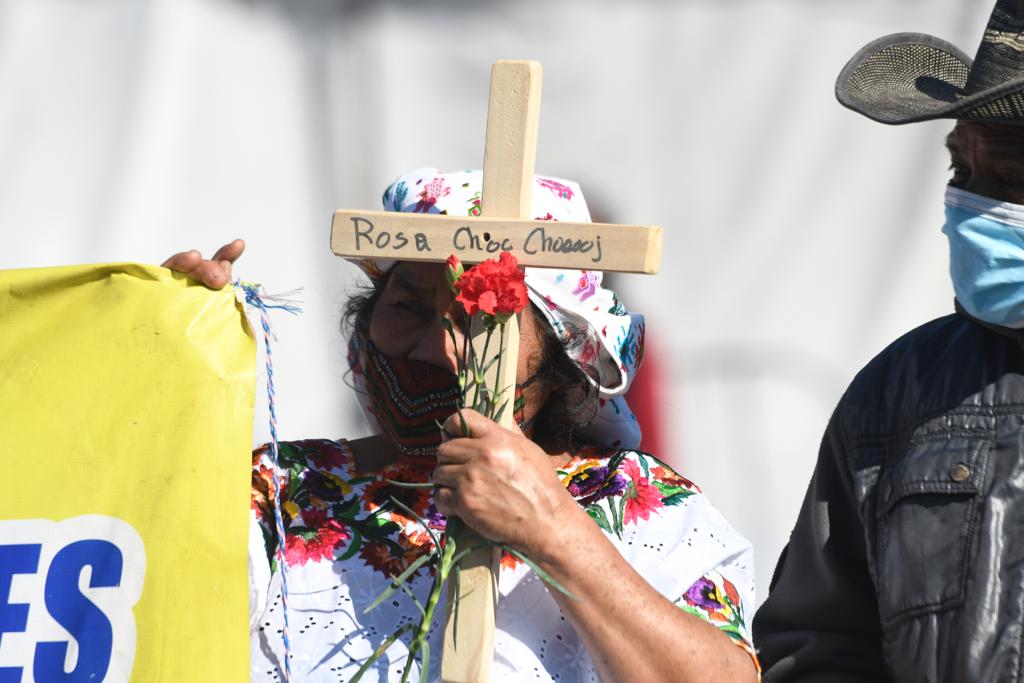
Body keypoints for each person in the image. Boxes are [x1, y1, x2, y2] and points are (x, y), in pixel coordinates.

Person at [165, 169, 760, 681]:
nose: (438, 351)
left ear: (560, 357)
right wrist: (150, 364)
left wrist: (552, 531)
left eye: (479, 323)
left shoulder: (647, 504)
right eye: (407, 307)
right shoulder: (280, 492)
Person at [753, 2, 1024, 681]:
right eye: (961, 172)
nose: (969, 204)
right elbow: (815, 642)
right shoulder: (893, 394)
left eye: (1011, 180)